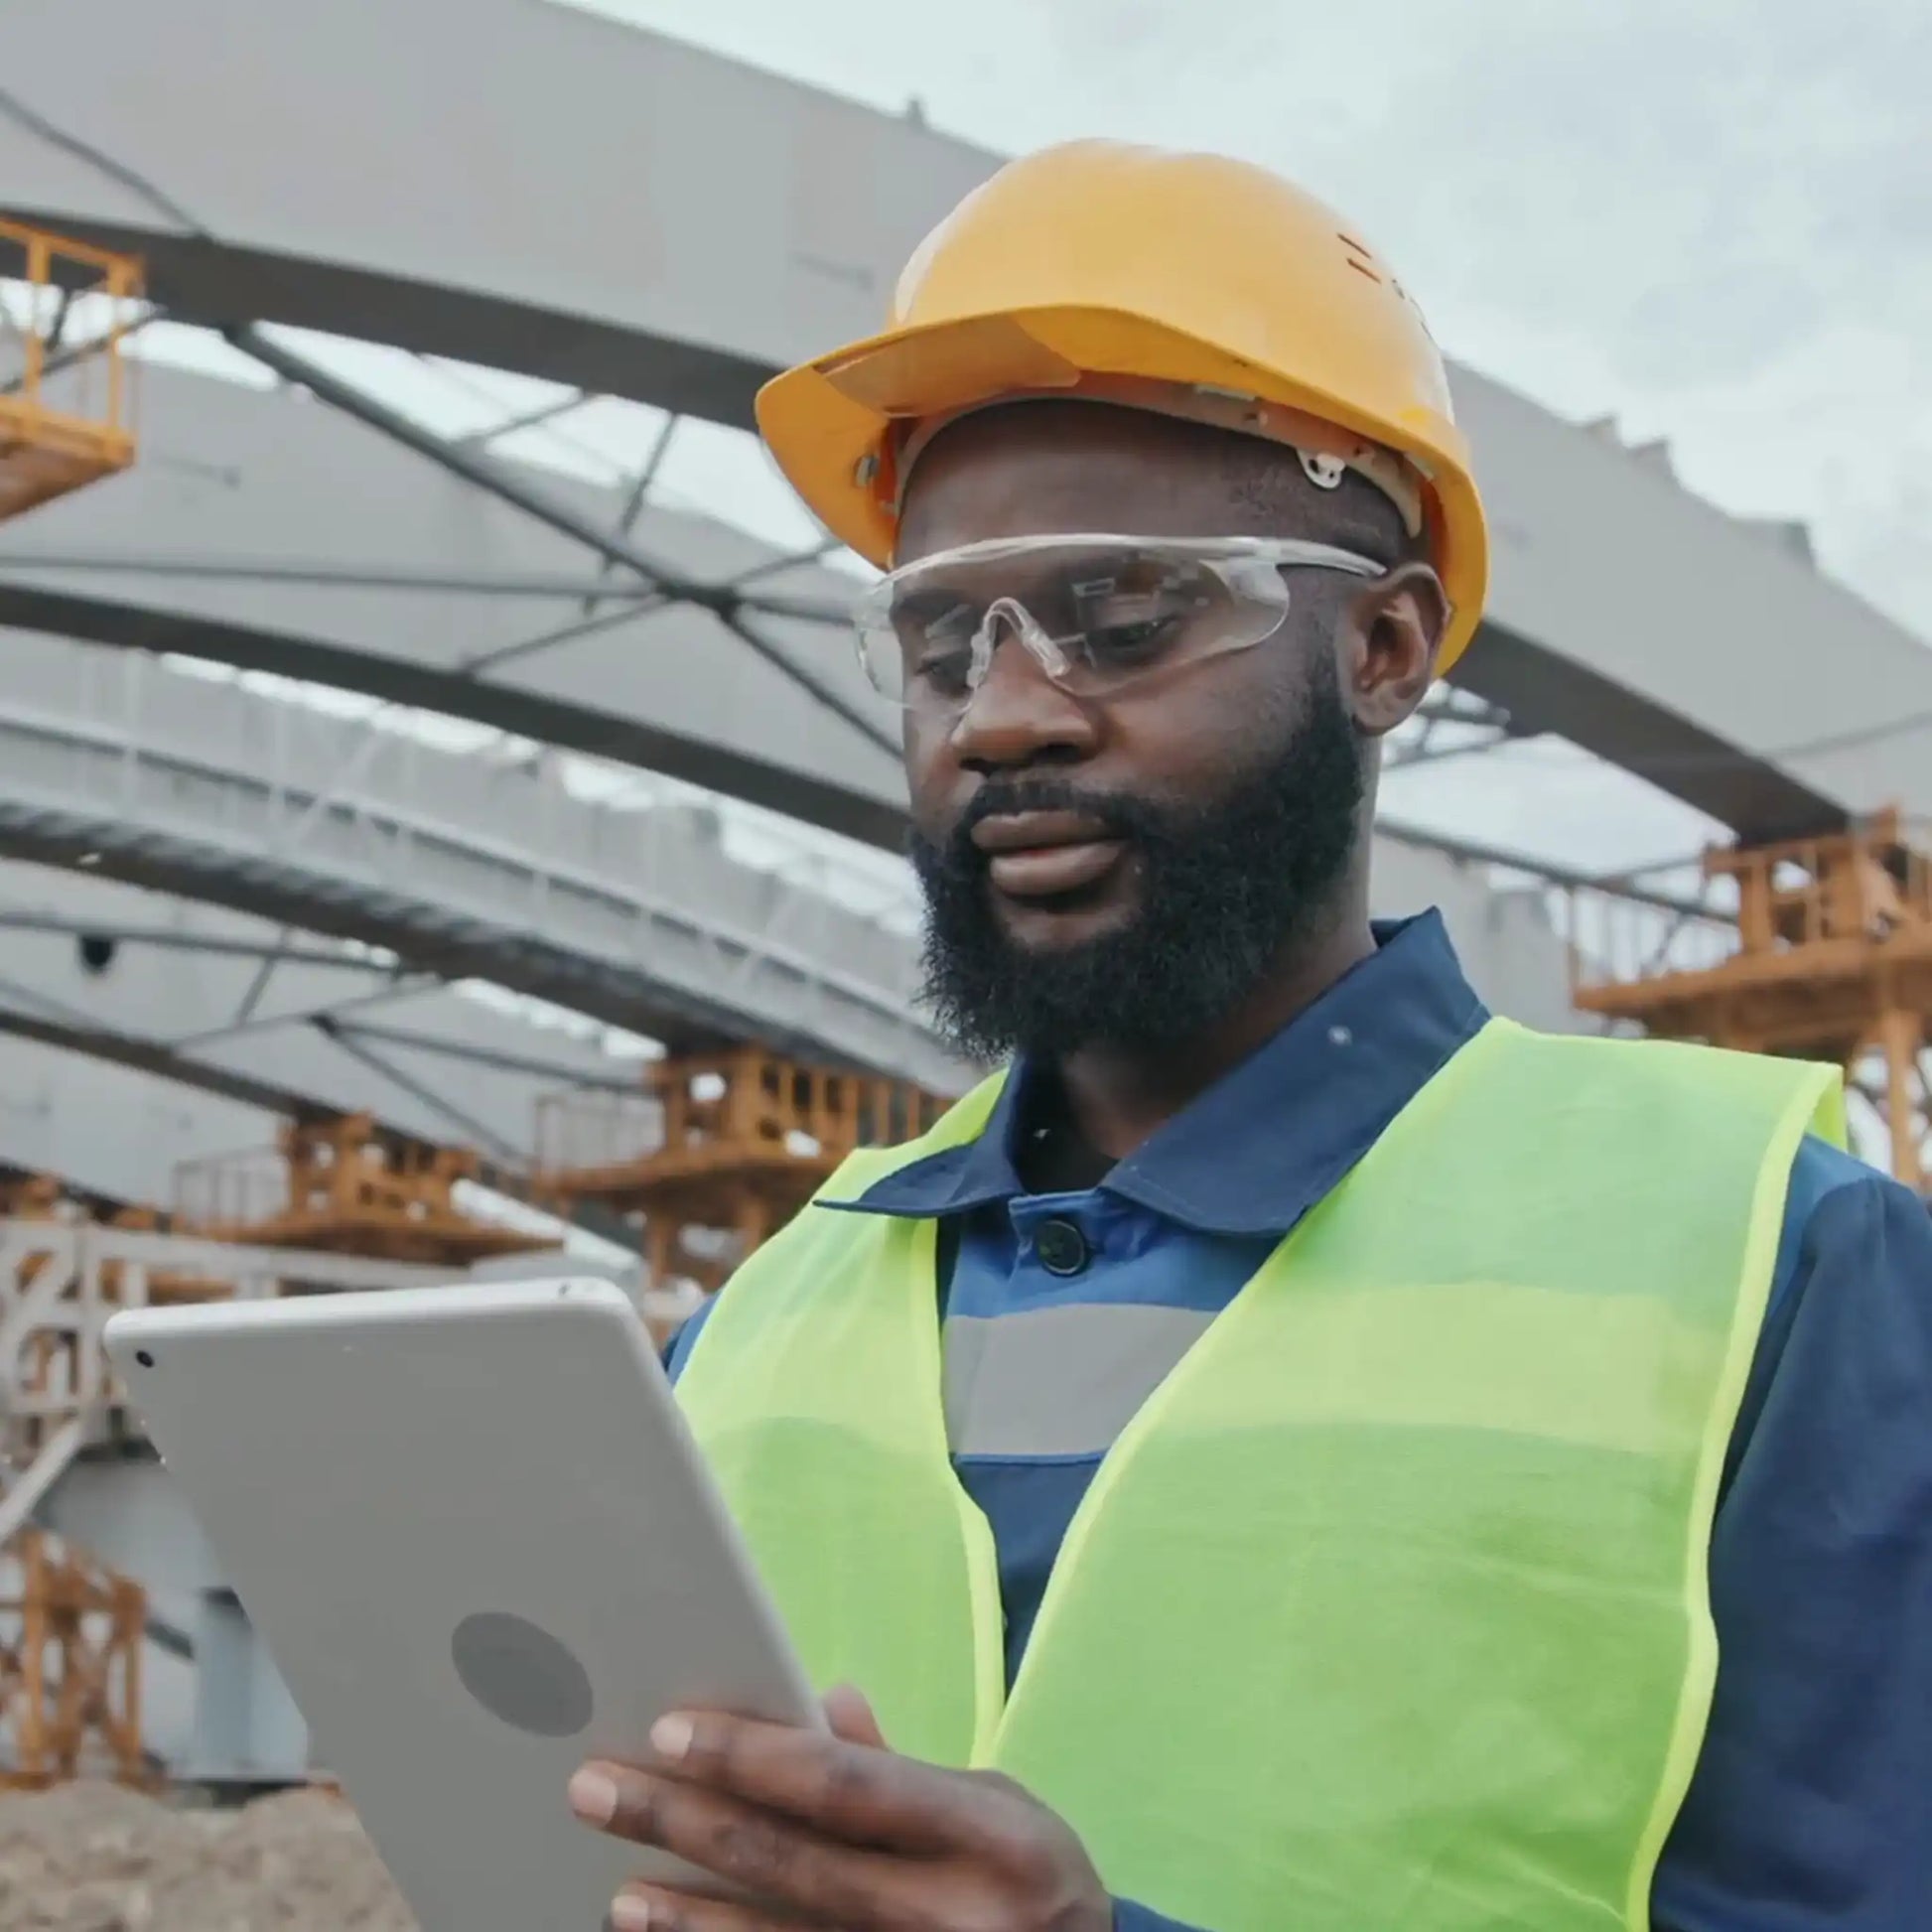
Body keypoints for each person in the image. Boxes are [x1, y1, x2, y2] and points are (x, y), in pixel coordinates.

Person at [565, 140, 1932, 1931]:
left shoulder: (1779, 1263)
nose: (1003, 718)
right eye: (936, 641)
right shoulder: (758, 1319)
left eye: (1122, 611)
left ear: (1381, 647)